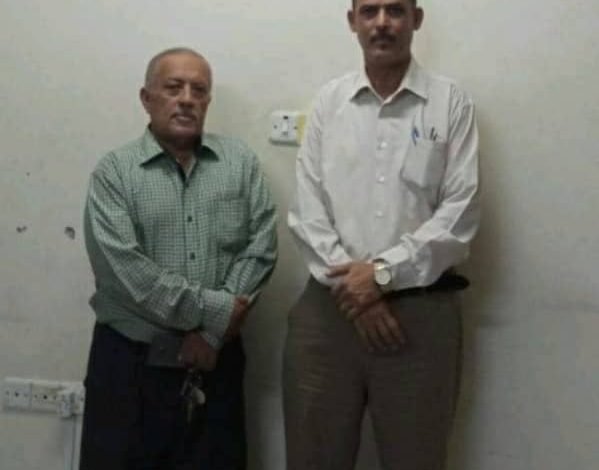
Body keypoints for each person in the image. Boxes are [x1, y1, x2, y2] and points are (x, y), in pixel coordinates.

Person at [285, 1, 480, 469]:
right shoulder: (329, 103)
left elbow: (460, 213)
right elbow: (308, 210)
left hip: (420, 315)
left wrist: (382, 276)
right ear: (352, 21)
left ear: (416, 19)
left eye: (395, 10)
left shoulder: (450, 104)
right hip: (328, 311)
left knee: (416, 458)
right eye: (369, 11)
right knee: (314, 457)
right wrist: (358, 291)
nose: (382, 23)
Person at [80, 47, 277, 470]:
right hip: (130, 367)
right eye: (173, 87)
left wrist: (210, 335)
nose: (187, 98)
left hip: (217, 365)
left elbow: (261, 247)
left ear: (208, 101)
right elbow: (126, 272)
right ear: (146, 98)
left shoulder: (240, 164)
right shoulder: (114, 173)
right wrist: (219, 313)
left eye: (198, 90)